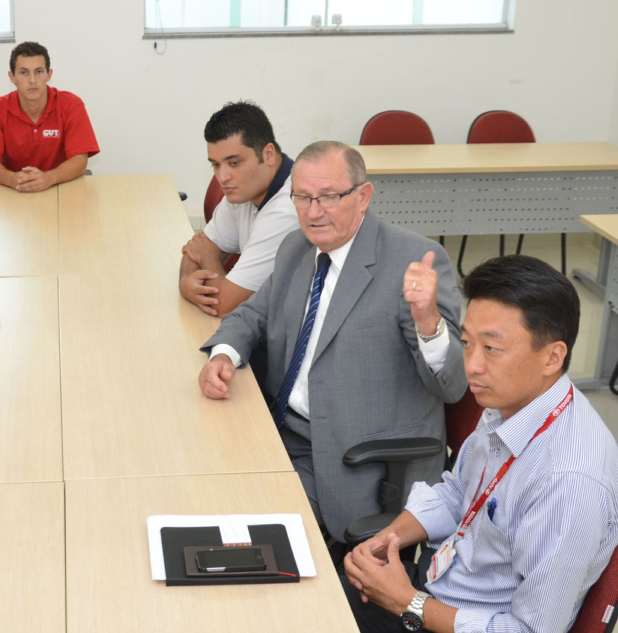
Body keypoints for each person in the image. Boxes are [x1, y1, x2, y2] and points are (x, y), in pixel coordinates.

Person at [342, 254, 618, 633]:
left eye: (492, 349)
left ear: (552, 356)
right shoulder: (513, 401)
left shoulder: (569, 482)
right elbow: (459, 493)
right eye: (466, 343)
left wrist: (408, 603)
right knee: (309, 621)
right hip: (436, 593)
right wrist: (389, 540)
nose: (471, 367)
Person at [198, 141, 467, 542]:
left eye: (328, 196)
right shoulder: (297, 248)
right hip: (279, 428)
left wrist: (428, 321)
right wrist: (223, 354)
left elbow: (452, 385)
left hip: (355, 458)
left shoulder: (415, 260)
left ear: (363, 196)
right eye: (302, 198)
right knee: (198, 489)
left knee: (244, 531)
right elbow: (254, 313)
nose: (313, 211)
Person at [179, 101, 300, 317]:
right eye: (215, 165)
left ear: (268, 155)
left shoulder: (288, 210)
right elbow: (197, 246)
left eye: (234, 163)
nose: (222, 177)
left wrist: (208, 258)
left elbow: (224, 305)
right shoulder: (244, 190)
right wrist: (186, 282)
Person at [0, 41, 99, 193]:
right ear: (12, 77)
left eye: (39, 71)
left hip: (61, 186)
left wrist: (49, 178)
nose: (32, 80)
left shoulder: (71, 105)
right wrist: (13, 179)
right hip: (13, 190)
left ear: (49, 75)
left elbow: (80, 160)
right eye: (24, 72)